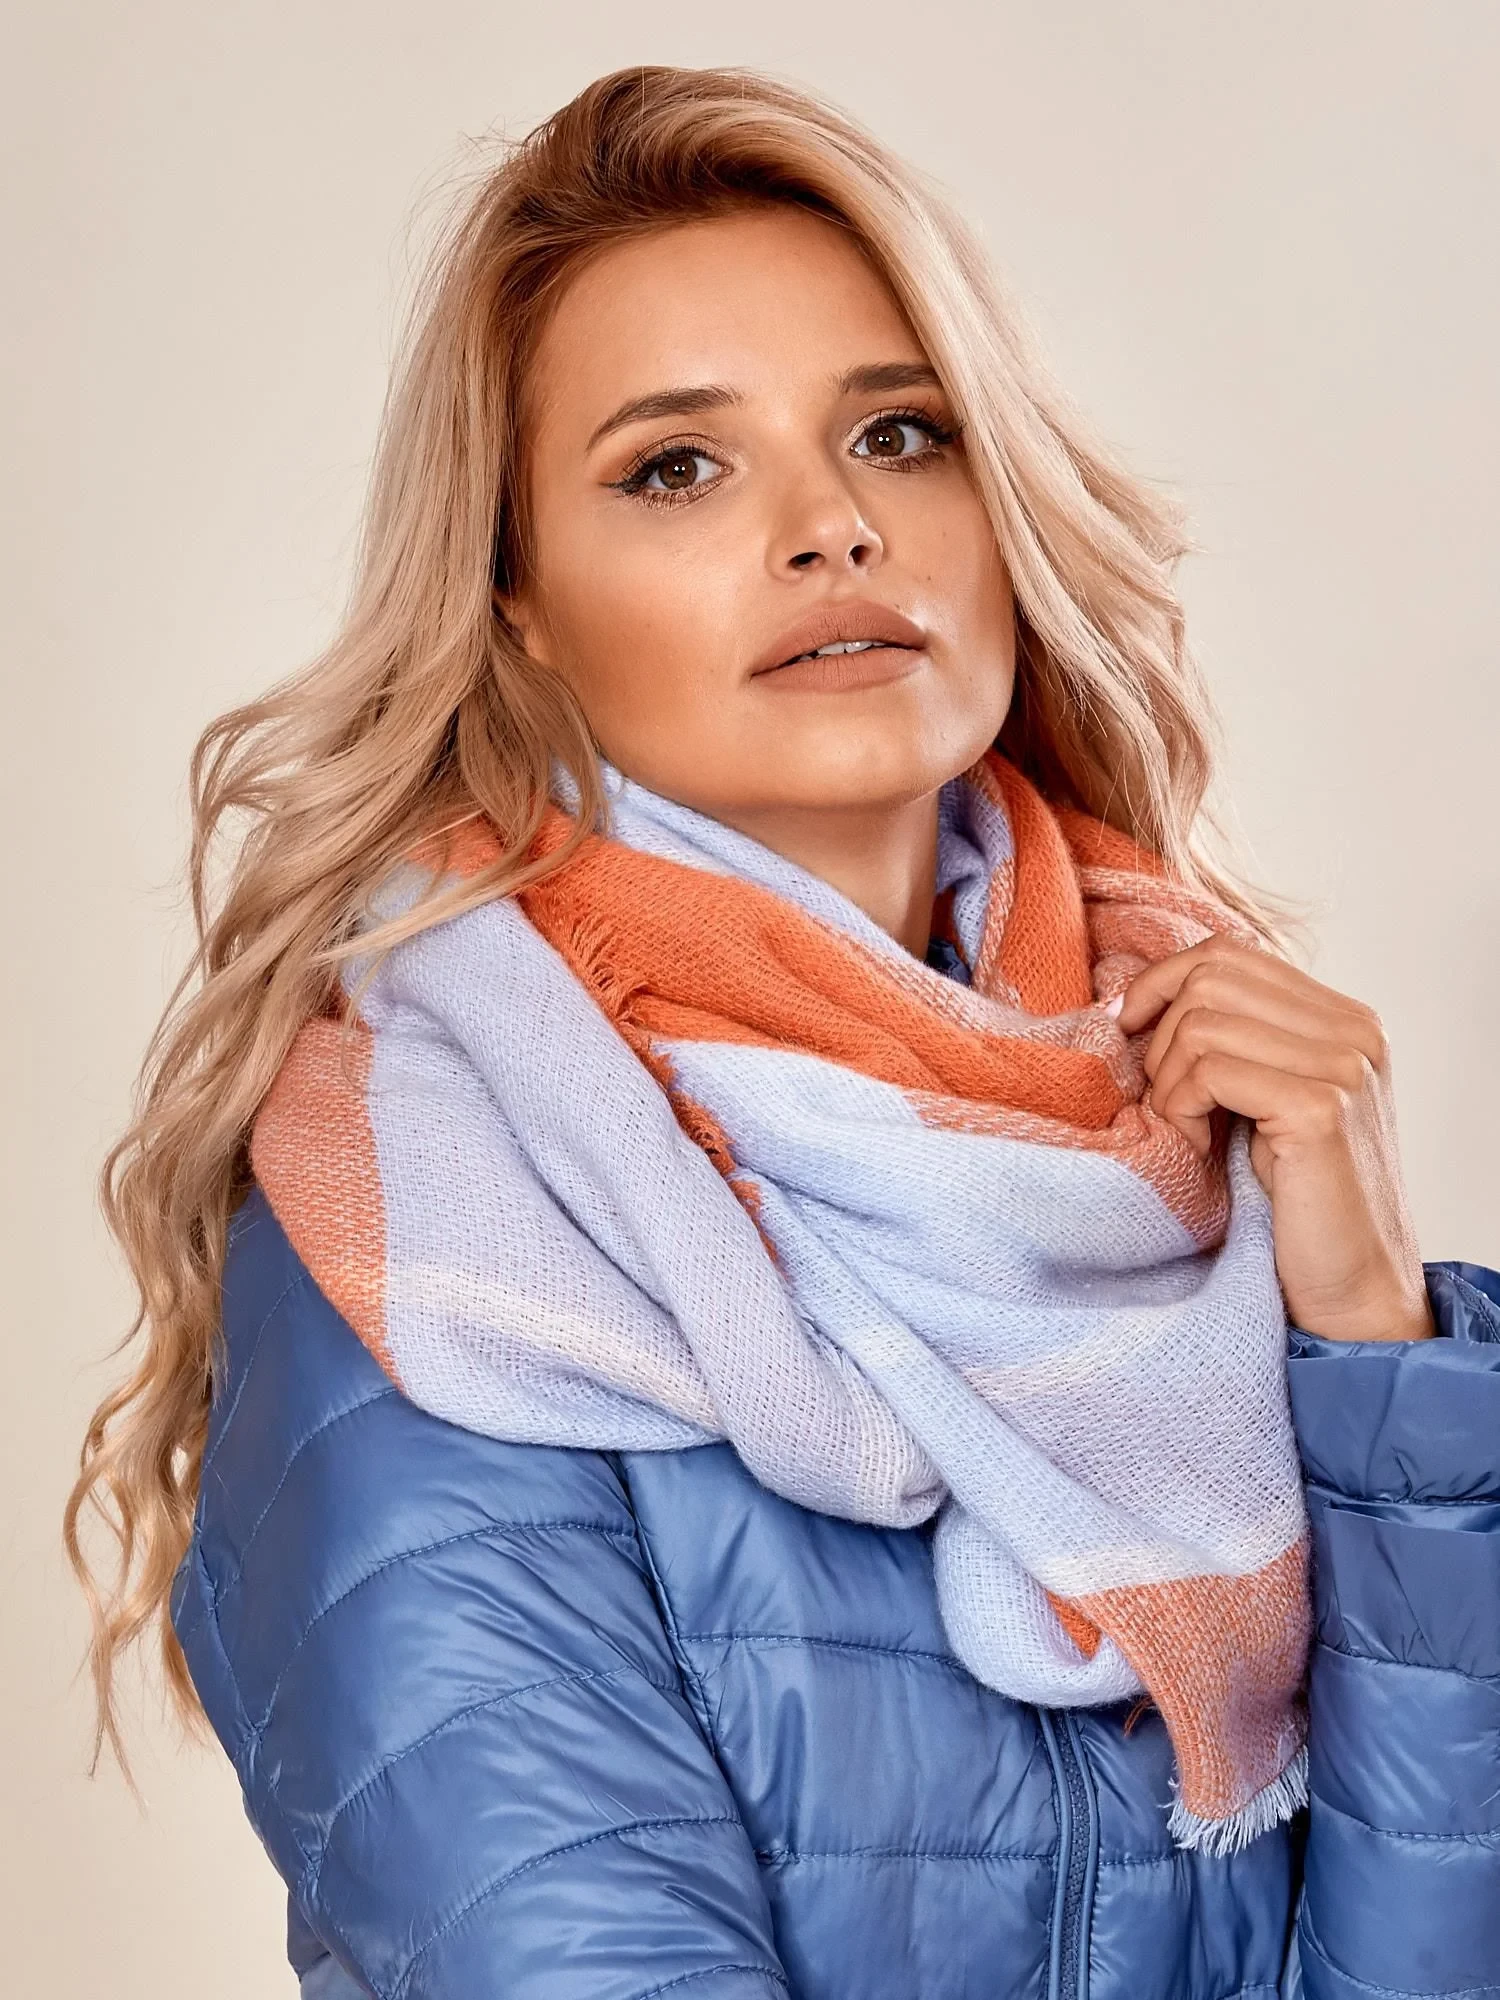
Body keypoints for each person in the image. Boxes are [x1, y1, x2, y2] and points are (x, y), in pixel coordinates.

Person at [68, 64, 1500, 2000]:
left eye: (900, 435)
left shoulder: (1192, 1138)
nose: (833, 527)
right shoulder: (451, 1225)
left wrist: (1375, 1352)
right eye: (677, 466)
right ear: (518, 604)